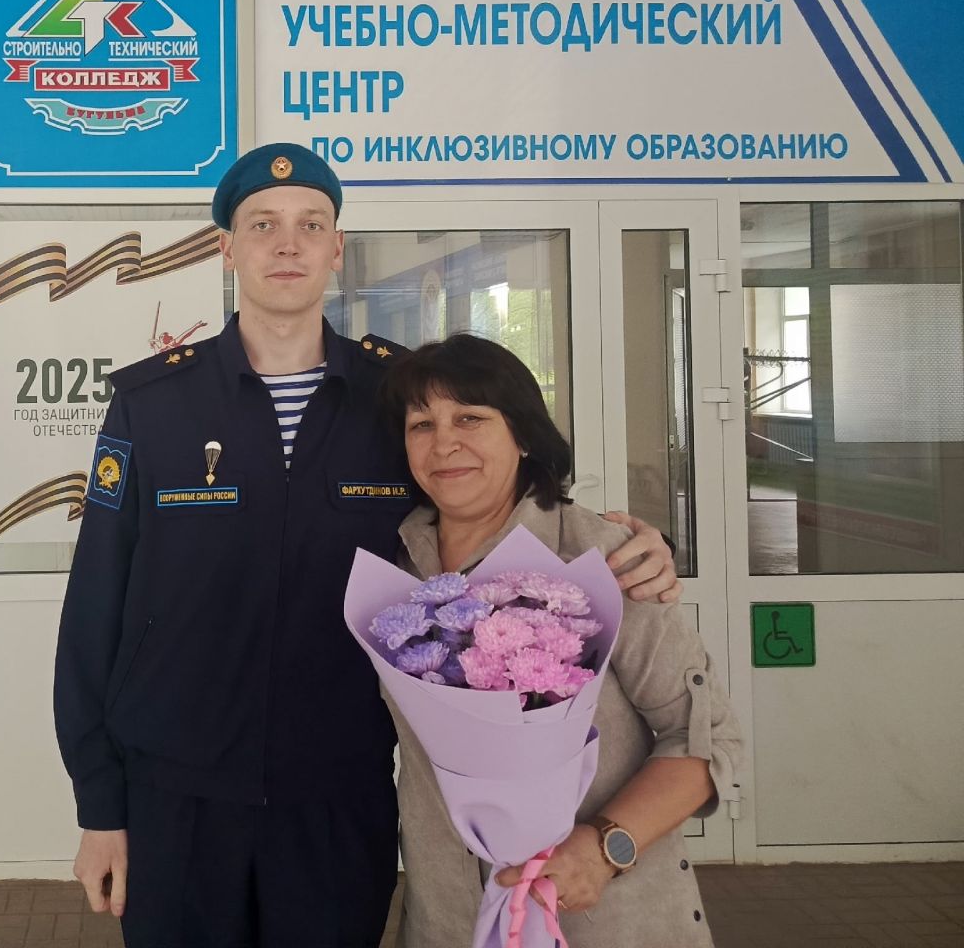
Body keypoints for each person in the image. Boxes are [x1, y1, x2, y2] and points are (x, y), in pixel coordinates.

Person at [53, 143, 684, 948]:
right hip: (174, 800)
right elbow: (93, 611)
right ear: (227, 249)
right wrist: (100, 806)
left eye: (310, 225)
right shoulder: (153, 404)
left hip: (340, 796)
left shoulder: (393, 397)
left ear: (336, 248)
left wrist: (631, 544)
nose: (288, 244)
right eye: (263, 225)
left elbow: (490, 503)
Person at [378, 333, 743, 947]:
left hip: (603, 919)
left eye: (470, 418)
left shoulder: (603, 559)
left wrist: (603, 848)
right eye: (422, 425)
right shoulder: (394, 570)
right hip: (447, 921)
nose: (443, 443)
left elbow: (707, 739)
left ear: (523, 435)